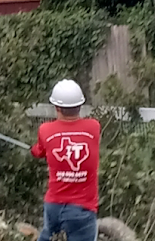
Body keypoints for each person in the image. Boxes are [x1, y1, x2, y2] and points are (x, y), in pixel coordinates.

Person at [31, 79, 101, 241]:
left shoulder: (45, 130)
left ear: (57, 107)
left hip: (53, 206)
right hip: (82, 209)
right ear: (80, 105)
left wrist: (34, 150)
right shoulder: (94, 127)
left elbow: (39, 151)